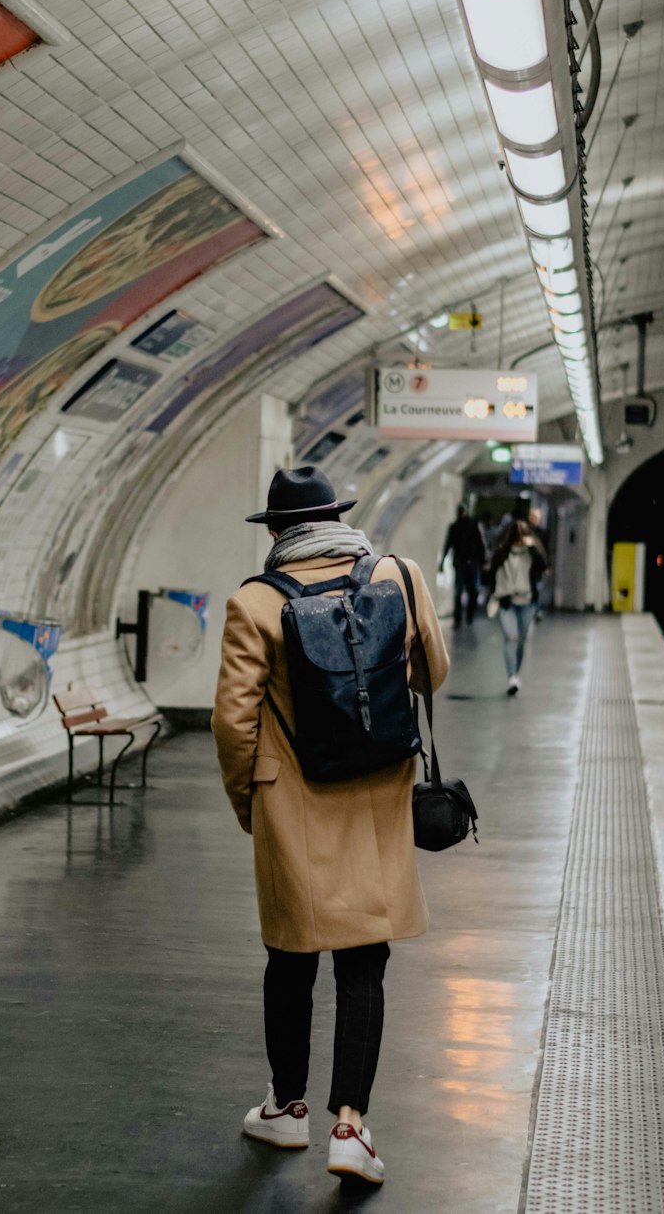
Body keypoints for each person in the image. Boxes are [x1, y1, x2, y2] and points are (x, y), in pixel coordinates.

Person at [212, 465, 448, 1187]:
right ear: (340, 518)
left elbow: (232, 721)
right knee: (363, 959)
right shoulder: (399, 577)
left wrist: (250, 801)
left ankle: (288, 1110)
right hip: (376, 788)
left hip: (296, 800)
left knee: (292, 955)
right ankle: (352, 1128)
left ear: (278, 531)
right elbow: (430, 673)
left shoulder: (255, 601)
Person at [491, 503, 547, 695]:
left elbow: (542, 566)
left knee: (521, 640)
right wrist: (497, 594)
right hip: (507, 602)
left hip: (527, 602)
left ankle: (515, 672)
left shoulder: (532, 552)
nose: (520, 541)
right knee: (511, 637)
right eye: (517, 538)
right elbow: (492, 573)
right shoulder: (502, 552)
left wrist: (533, 549)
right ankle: (512, 678)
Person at [440, 504, 486, 626]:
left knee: (463, 591)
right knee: (468, 591)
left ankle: (461, 617)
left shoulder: (459, 527)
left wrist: (442, 562)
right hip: (467, 563)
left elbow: (448, 546)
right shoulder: (467, 527)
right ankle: (463, 617)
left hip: (464, 562)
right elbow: (479, 545)